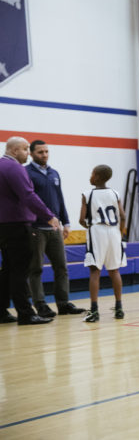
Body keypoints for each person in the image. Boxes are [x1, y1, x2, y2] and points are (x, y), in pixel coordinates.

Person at [0, 137, 59, 325]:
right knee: (20, 270)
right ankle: (26, 313)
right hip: (17, 225)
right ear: (15, 150)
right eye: (26, 149)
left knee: (7, 270)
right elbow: (28, 195)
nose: (28, 153)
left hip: (3, 226)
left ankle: (1, 312)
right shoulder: (15, 168)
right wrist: (49, 215)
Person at [25, 140, 85, 317]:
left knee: (61, 267)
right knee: (36, 268)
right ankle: (41, 304)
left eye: (46, 151)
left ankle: (63, 303)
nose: (44, 155)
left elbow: (60, 199)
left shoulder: (54, 173)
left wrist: (65, 223)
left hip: (55, 229)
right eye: (40, 152)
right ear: (31, 153)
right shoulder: (25, 173)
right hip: (36, 228)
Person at [79, 165, 126, 322]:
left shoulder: (87, 194)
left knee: (95, 271)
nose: (90, 176)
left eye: (92, 174)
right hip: (114, 232)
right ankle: (119, 308)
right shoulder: (115, 193)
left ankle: (94, 310)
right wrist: (120, 232)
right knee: (114, 271)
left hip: (97, 231)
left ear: (97, 177)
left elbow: (81, 219)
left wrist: (90, 227)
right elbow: (123, 216)